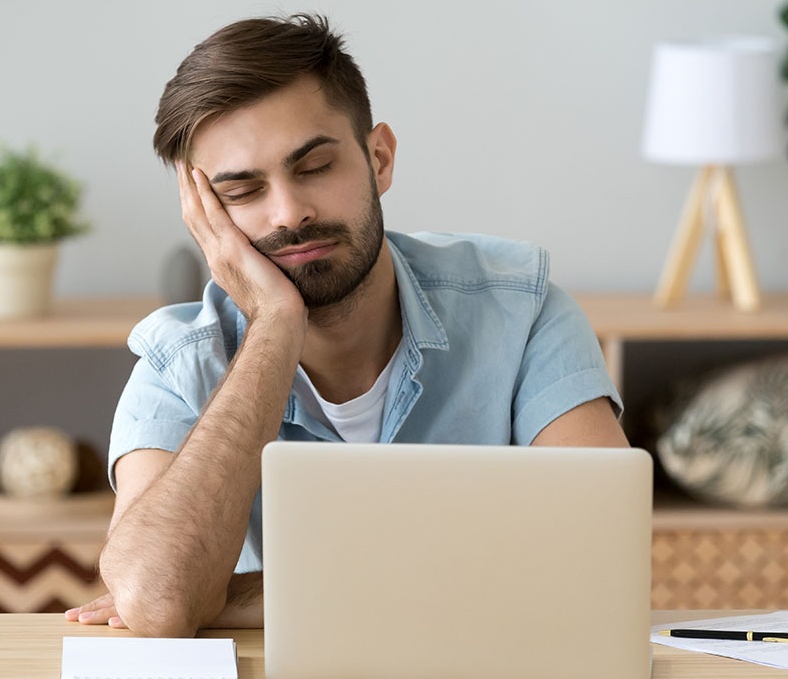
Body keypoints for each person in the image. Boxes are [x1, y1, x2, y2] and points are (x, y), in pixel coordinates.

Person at [66, 13, 628, 638]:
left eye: (313, 168)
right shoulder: (180, 361)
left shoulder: (521, 311)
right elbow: (156, 601)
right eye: (243, 192)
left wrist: (229, 596)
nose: (290, 213)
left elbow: (599, 561)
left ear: (379, 158)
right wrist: (275, 323)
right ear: (204, 218)